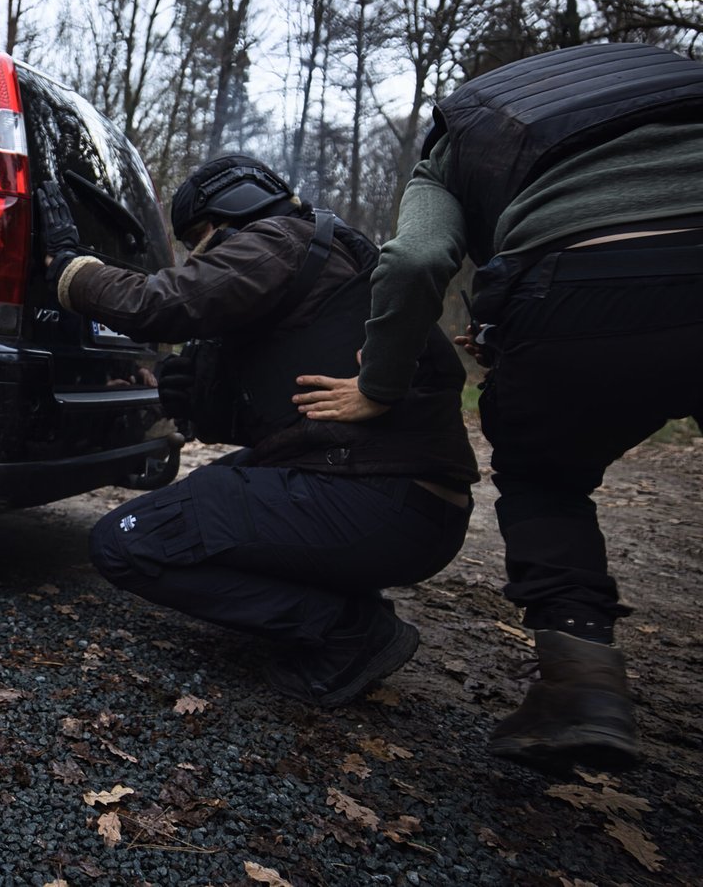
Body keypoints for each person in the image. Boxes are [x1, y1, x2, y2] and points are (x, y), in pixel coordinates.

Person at [293, 41, 703, 773]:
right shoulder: (681, 81)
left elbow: (416, 260)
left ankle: (581, 686)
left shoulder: (462, 136)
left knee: (547, 478)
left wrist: (379, 387)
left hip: (580, 284)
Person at [41, 154, 478, 707]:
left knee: (125, 541)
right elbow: (278, 418)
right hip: (408, 509)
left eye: (197, 241)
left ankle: (349, 630)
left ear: (228, 210)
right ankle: (345, 606)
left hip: (376, 501)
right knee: (212, 490)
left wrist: (71, 268)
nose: (199, 257)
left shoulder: (278, 240)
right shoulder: (325, 258)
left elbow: (161, 303)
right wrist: (193, 389)